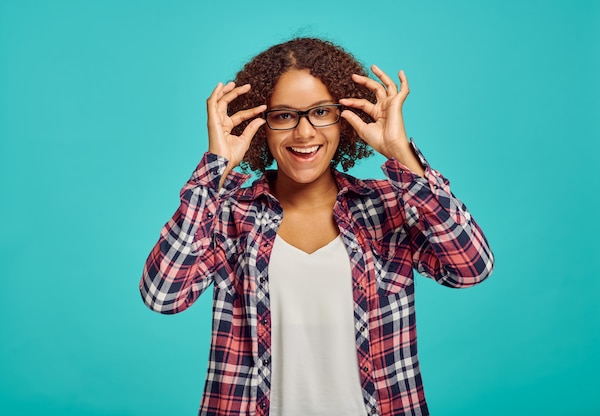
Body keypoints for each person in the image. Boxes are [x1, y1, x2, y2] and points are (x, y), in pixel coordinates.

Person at [140, 37, 494, 416]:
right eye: (283, 115)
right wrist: (216, 168)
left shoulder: (389, 206)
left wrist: (401, 153)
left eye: (322, 112)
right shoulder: (229, 214)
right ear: (260, 124)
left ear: (346, 118)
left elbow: (471, 268)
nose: (305, 133)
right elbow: (163, 296)